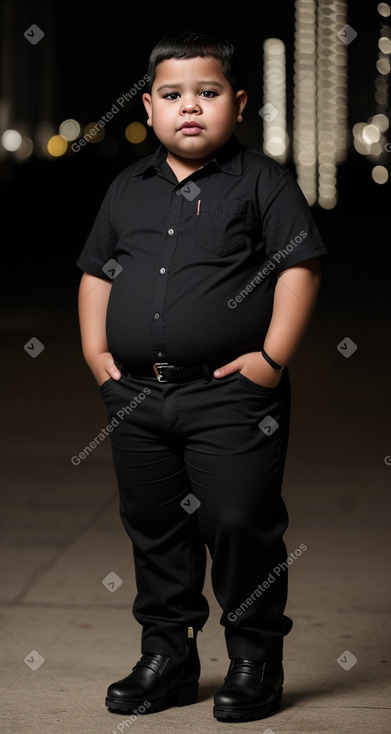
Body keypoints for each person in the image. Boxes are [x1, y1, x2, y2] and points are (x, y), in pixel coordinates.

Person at [76, 27, 328, 723]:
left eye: (207, 93)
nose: (190, 107)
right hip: (135, 396)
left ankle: (253, 660)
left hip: (229, 397)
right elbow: (97, 272)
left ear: (237, 104)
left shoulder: (263, 183)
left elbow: (298, 268)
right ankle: (168, 656)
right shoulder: (129, 187)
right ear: (149, 108)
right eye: (172, 95)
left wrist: (269, 362)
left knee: (239, 520)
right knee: (154, 526)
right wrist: (98, 357)